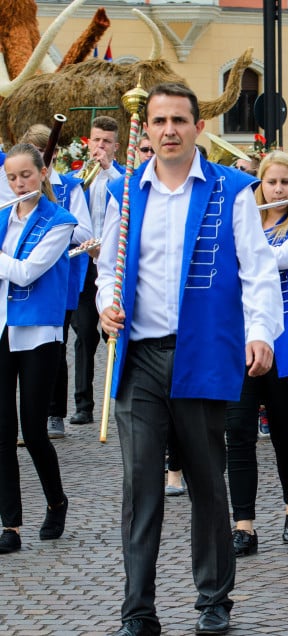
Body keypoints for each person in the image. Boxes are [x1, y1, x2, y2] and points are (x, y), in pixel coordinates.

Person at [97, 83, 283, 636]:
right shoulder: (128, 193)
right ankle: (137, 610)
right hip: (140, 359)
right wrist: (109, 302)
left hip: (201, 353)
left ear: (198, 127)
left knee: (206, 479)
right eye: (159, 121)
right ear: (148, 129)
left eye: (180, 119)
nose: (169, 129)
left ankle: (213, 599)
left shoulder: (231, 189)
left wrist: (261, 334)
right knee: (141, 489)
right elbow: (109, 265)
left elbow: (257, 269)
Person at [225, 151, 288, 557]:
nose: (278, 189)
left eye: (285, 183)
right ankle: (243, 525)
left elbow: (273, 259)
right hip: (239, 344)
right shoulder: (241, 229)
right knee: (239, 437)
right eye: (271, 183)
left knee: (286, 435)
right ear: (258, 186)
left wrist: (236, 243)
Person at [0, 144, 77, 555]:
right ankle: (9, 525)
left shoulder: (59, 221)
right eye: (11, 178)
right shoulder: (2, 217)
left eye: (26, 176)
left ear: (43, 173)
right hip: (2, 329)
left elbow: (28, 271)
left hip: (39, 332)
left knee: (33, 431)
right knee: (1, 433)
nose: (19, 184)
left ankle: (56, 501)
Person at [16, 124, 93, 441]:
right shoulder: (13, 191)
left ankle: (53, 413)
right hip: (18, 283)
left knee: (53, 346)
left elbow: (86, 235)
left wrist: (54, 226)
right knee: (16, 350)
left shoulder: (71, 188)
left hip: (56, 281)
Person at [70, 115, 123, 429]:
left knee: (114, 332)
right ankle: (83, 404)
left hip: (113, 262)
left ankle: (122, 396)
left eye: (106, 142)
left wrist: (108, 171)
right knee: (84, 335)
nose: (100, 147)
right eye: (96, 141)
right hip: (85, 264)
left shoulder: (121, 178)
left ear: (116, 146)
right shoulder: (77, 180)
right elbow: (70, 218)